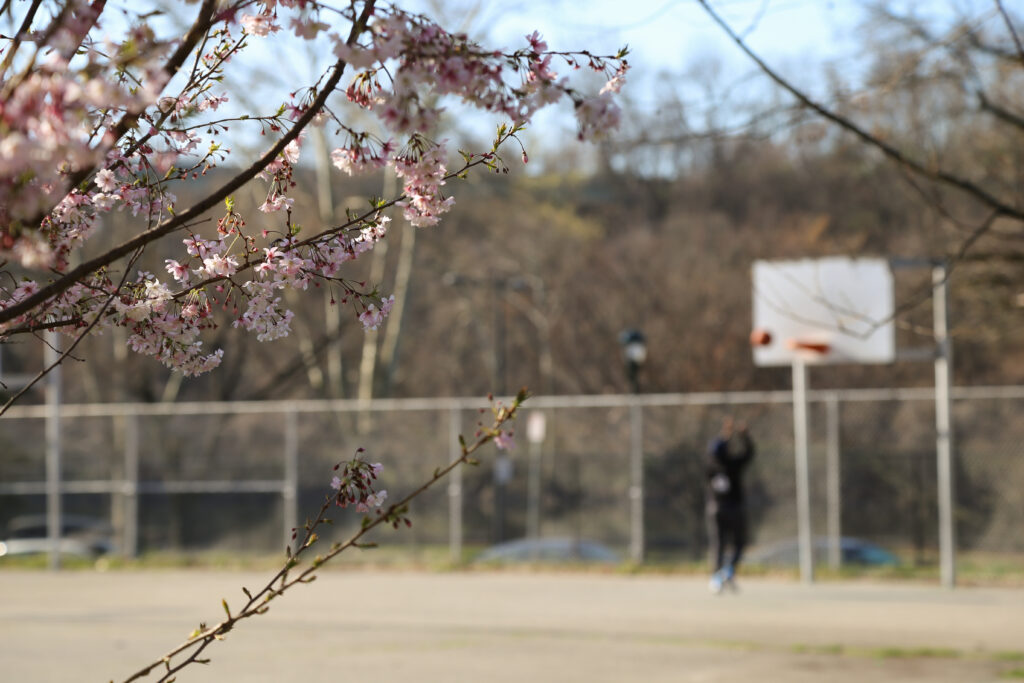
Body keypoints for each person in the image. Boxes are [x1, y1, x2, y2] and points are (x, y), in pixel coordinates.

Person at [706, 416, 755, 593]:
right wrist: (744, 436)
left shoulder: (711, 467)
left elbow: (714, 451)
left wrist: (725, 435)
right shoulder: (733, 465)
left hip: (716, 508)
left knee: (718, 543)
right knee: (739, 543)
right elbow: (749, 453)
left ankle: (717, 576)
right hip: (734, 507)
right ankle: (727, 572)